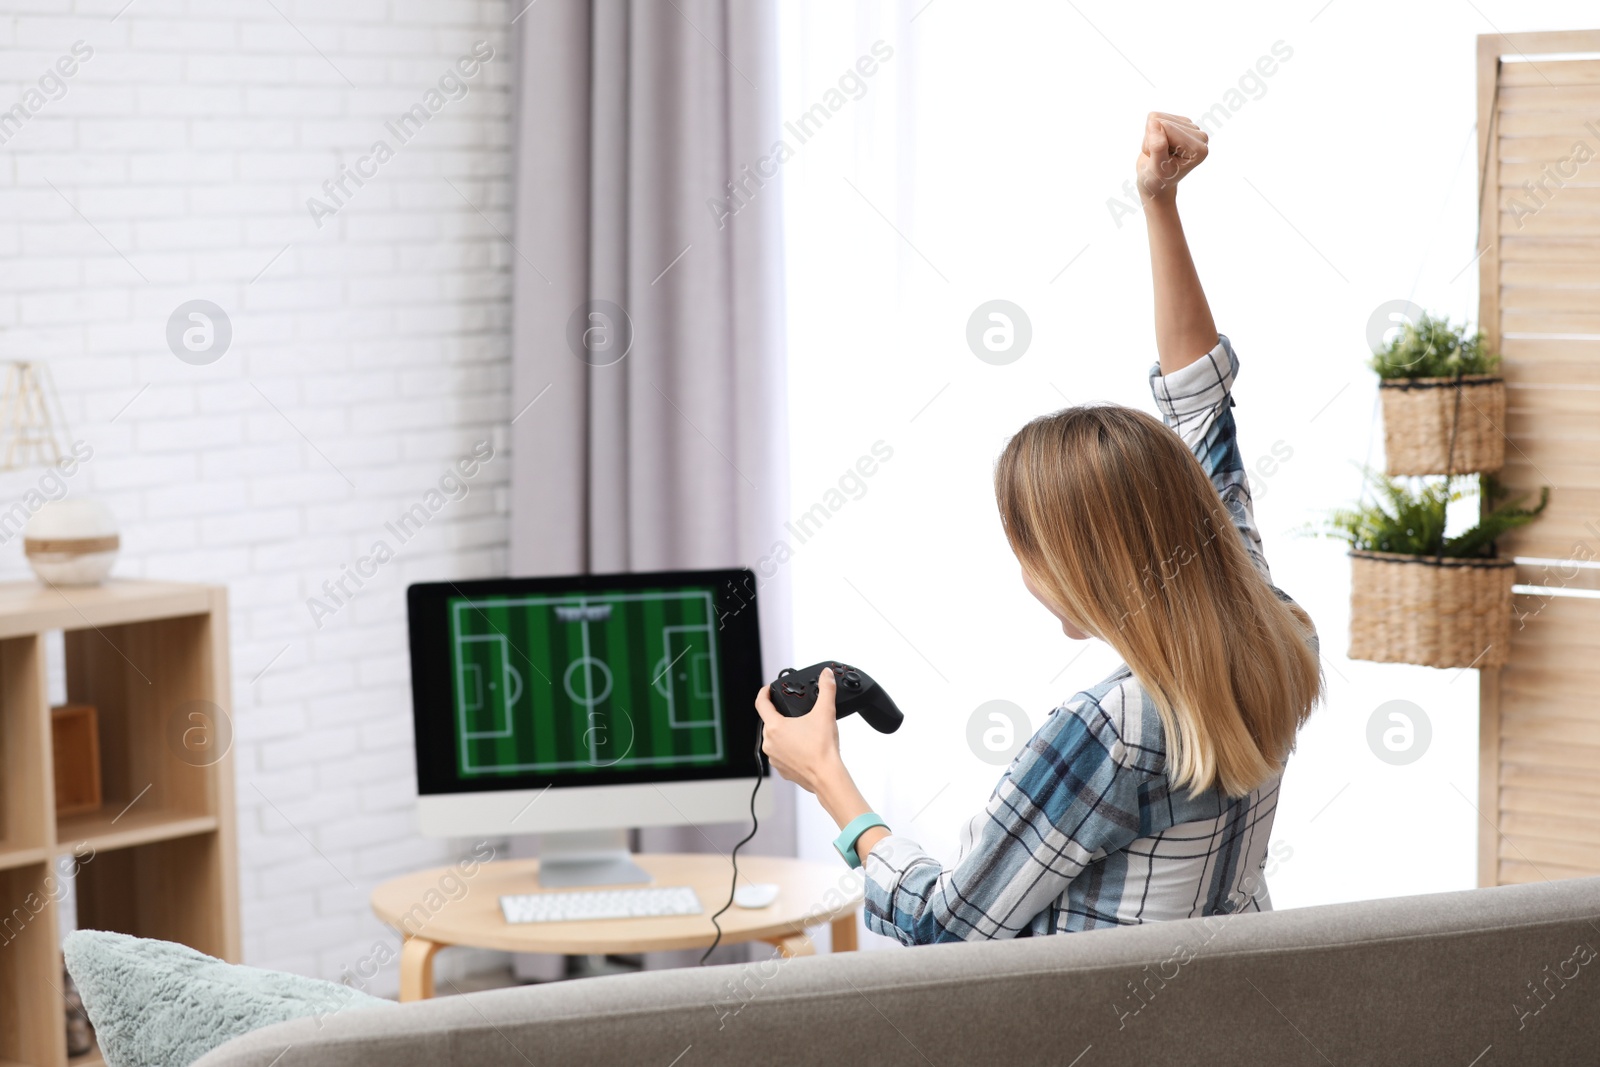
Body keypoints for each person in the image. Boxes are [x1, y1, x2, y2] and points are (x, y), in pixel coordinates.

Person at [755, 113, 1322, 943]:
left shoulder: (1111, 729)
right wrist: (1158, 204)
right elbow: (1201, 403)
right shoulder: (1269, 621)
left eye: (1030, 549)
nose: (1024, 570)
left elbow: (946, 927)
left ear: (1085, 565)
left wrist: (829, 783)